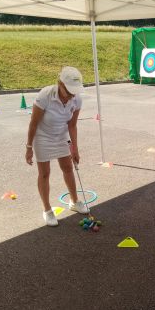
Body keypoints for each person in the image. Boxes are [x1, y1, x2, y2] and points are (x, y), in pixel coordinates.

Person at [25, 66, 89, 226]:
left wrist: (74, 148)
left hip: (61, 135)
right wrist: (28, 147)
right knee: (45, 173)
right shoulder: (45, 95)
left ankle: (74, 202)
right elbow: (33, 123)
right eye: (68, 91)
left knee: (68, 168)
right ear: (60, 84)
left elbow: (72, 125)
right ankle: (47, 210)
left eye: (74, 92)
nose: (71, 96)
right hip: (42, 137)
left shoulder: (76, 99)